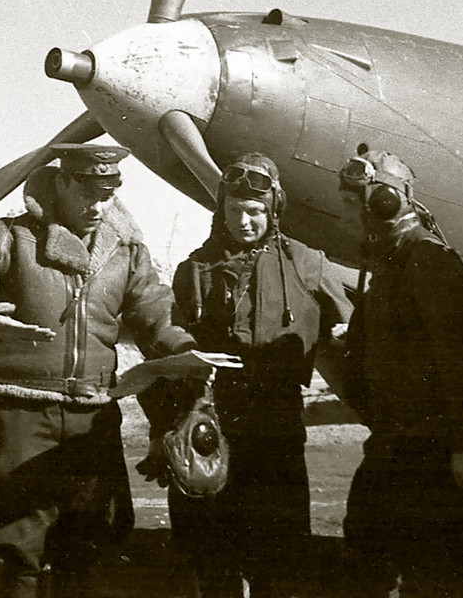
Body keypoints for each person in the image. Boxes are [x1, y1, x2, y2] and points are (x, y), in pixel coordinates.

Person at [0, 143, 197, 598]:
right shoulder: (10, 236)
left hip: (91, 421)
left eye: (108, 195)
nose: (98, 207)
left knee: (87, 547)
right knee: (19, 548)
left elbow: (155, 314)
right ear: (61, 183)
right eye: (88, 194)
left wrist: (186, 350)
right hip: (20, 417)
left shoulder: (126, 253)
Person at [143, 152, 351, 598]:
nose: (244, 221)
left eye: (255, 211)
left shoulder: (307, 263)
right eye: (234, 210)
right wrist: (162, 429)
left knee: (278, 556)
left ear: (273, 208)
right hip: (211, 425)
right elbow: (163, 351)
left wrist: (344, 334)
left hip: (276, 427)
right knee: (213, 555)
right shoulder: (194, 269)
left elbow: (353, 326)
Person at [335, 148, 463, 598]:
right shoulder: (392, 263)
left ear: (383, 204)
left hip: (431, 455)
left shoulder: (428, 262)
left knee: (433, 578)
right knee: (365, 556)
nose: (343, 218)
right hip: (395, 445)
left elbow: (460, 365)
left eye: (349, 206)